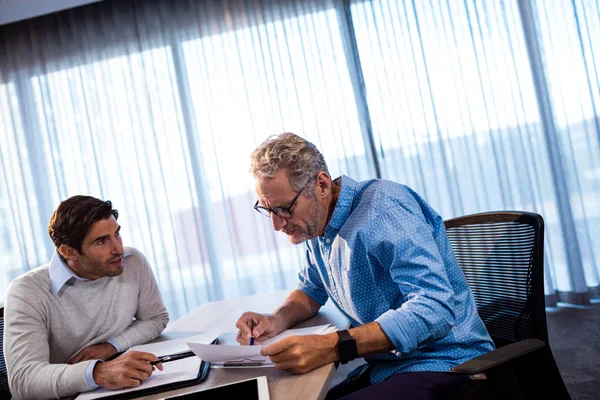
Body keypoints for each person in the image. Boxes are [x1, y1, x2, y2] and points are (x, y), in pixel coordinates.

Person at [235, 133, 495, 399]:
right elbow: (312, 288)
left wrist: (331, 346)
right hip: (390, 368)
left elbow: (435, 307)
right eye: (268, 210)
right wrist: (276, 319)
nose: (277, 225)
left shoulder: (384, 210)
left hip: (450, 367)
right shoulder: (316, 226)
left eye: (284, 209)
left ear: (322, 185)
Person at [4, 195, 170, 399]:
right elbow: (23, 380)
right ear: (69, 252)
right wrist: (98, 372)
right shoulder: (27, 291)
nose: (118, 249)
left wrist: (111, 347)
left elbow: (156, 318)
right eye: (101, 241)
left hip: (119, 388)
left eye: (116, 234)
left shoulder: (132, 261)